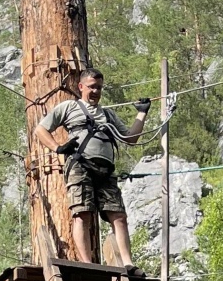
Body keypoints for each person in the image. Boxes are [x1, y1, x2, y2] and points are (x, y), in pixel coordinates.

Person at [39, 68, 150, 267]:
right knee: (82, 213)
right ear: (81, 87)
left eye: (99, 88)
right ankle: (87, 263)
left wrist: (141, 114)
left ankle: (127, 263)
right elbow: (40, 130)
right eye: (91, 87)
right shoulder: (69, 107)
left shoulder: (108, 114)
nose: (96, 92)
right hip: (80, 166)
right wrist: (58, 147)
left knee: (119, 215)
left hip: (106, 170)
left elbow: (131, 139)